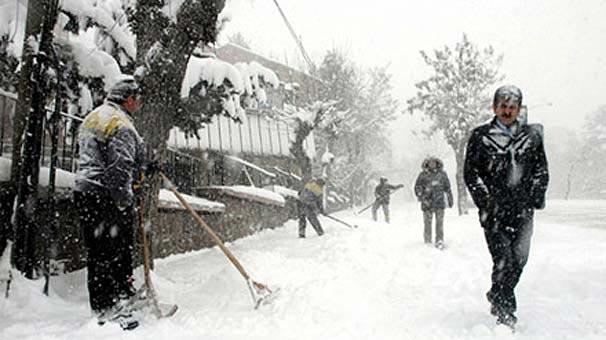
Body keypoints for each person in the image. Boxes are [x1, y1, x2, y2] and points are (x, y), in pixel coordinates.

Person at [464, 85, 549, 329]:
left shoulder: (532, 137)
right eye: (503, 106)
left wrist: (535, 196)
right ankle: (505, 311)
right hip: (494, 212)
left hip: (522, 210)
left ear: (519, 109)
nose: (507, 111)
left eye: (512, 107)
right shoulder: (480, 136)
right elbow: (471, 173)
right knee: (503, 258)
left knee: (519, 260)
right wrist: (485, 201)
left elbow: (541, 169)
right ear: (494, 107)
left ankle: (496, 291)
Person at [73, 76, 145, 330]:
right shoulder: (121, 123)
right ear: (128, 99)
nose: (139, 103)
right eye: (137, 98)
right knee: (111, 250)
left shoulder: (94, 117)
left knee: (101, 250)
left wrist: (145, 164)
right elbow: (119, 165)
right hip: (106, 195)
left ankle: (119, 295)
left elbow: (95, 154)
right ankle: (108, 308)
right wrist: (124, 201)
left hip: (86, 191)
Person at [414, 157, 453, 249]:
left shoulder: (442, 174)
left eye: (434, 162)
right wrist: (421, 195)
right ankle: (427, 240)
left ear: (437, 163)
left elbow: (447, 187)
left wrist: (450, 198)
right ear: (427, 164)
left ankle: (439, 240)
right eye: (430, 163)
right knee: (427, 223)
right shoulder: (423, 175)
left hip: (439, 202)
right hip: (427, 202)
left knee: (439, 223)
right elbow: (417, 187)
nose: (432, 164)